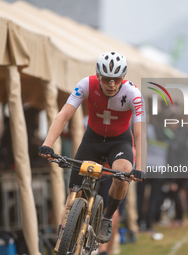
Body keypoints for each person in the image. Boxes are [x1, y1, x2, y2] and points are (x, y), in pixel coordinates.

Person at [38, 51, 147, 247]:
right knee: (74, 194)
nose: (112, 84)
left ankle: (107, 217)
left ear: (123, 78)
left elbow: (139, 133)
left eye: (116, 79)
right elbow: (63, 116)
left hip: (119, 142)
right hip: (92, 140)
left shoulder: (133, 93)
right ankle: (62, 243)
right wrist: (47, 144)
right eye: (107, 80)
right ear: (98, 76)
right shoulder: (86, 85)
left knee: (123, 174)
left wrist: (141, 166)